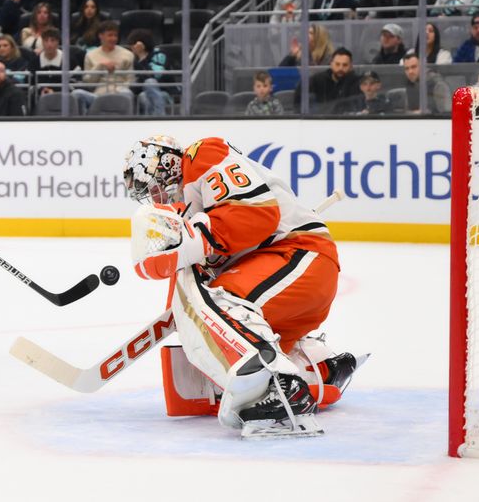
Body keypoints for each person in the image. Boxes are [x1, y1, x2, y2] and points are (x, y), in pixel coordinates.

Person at [122, 135, 361, 435]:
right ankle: (320, 368)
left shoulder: (202, 156)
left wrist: (191, 242)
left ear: (167, 163)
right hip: (284, 286)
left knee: (219, 301)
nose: (157, 197)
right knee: (222, 351)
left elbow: (257, 214)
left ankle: (279, 390)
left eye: (154, 185)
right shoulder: (191, 209)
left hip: (300, 255)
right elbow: (193, 285)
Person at [73, 20, 134, 114]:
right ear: (101, 36)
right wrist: (100, 66)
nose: (113, 38)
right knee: (76, 94)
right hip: (98, 96)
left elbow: (130, 80)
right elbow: (88, 82)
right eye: (110, 35)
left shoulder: (128, 54)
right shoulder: (90, 55)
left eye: (115, 35)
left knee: (127, 94)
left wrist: (119, 90)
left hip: (120, 92)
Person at [295, 47, 361, 114]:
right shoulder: (319, 80)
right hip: (323, 121)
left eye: (345, 65)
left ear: (351, 66)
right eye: (337, 64)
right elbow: (301, 90)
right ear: (331, 64)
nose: (341, 68)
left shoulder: (357, 83)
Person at [127, 28, 172, 116]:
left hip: (164, 92)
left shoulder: (159, 54)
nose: (132, 49)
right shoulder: (134, 59)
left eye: (133, 45)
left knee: (150, 82)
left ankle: (159, 118)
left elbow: (156, 76)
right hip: (143, 93)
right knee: (144, 97)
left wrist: (142, 56)